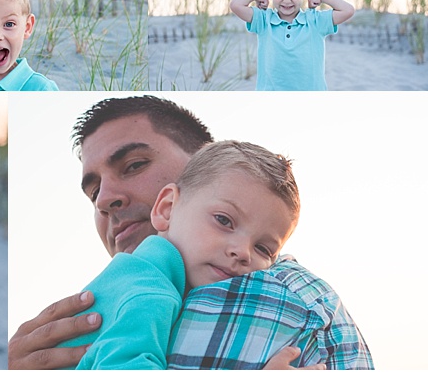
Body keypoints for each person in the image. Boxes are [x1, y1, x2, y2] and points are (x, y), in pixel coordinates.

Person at [8, 95, 373, 370]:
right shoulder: (143, 291)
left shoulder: (273, 298)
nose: (104, 200)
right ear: (167, 208)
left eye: (134, 165)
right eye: (92, 192)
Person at [60, 140, 300, 369]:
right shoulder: (148, 291)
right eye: (224, 220)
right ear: (167, 208)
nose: (242, 252)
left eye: (263, 249)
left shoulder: (141, 276)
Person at [230, 0, 354, 90]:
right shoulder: (264, 20)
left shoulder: (315, 21)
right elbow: (235, 5)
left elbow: (348, 10)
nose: (287, 0)